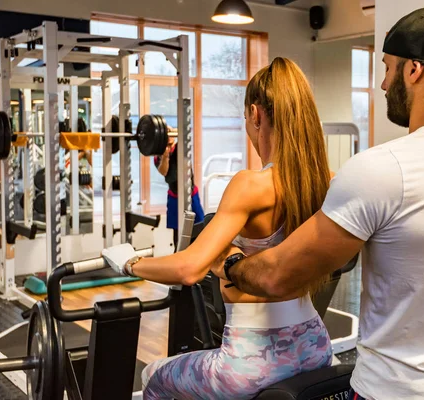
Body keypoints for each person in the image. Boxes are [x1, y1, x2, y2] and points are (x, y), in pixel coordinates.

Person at [211, 6, 424, 400]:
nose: (382, 83)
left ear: (414, 70)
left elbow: (277, 275)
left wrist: (233, 263)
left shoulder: (384, 167)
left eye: (387, 68)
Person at [102, 57, 334, 400]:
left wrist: (128, 262)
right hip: (316, 349)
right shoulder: (325, 182)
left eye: (244, 118)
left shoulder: (251, 185)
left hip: (251, 363)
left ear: (256, 115)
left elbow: (188, 269)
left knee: (155, 376)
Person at [154, 134, 205, 248]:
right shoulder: (159, 156)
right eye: (165, 134)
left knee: (199, 228)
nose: (168, 136)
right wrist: (165, 155)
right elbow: (164, 172)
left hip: (191, 195)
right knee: (178, 235)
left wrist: (173, 132)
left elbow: (185, 134)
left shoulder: (181, 148)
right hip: (174, 197)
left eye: (169, 133)